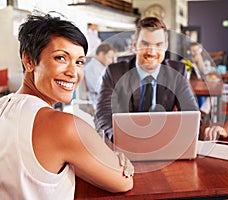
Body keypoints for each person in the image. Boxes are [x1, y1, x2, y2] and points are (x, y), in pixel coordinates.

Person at [0, 12, 133, 199]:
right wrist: (117, 158)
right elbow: (124, 180)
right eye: (61, 58)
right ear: (29, 60)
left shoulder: (3, 106)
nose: (73, 72)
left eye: (79, 62)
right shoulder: (64, 126)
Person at [94, 17, 199, 141]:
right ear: (134, 45)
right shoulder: (114, 73)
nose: (152, 52)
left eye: (158, 45)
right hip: (124, 144)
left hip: (164, 143)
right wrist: (119, 140)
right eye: (145, 44)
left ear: (166, 46)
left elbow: (191, 114)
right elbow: (103, 115)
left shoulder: (177, 72)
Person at [84, 42, 115, 108]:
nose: (111, 61)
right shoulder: (92, 68)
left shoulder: (102, 67)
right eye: (109, 57)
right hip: (98, 104)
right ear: (101, 54)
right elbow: (100, 88)